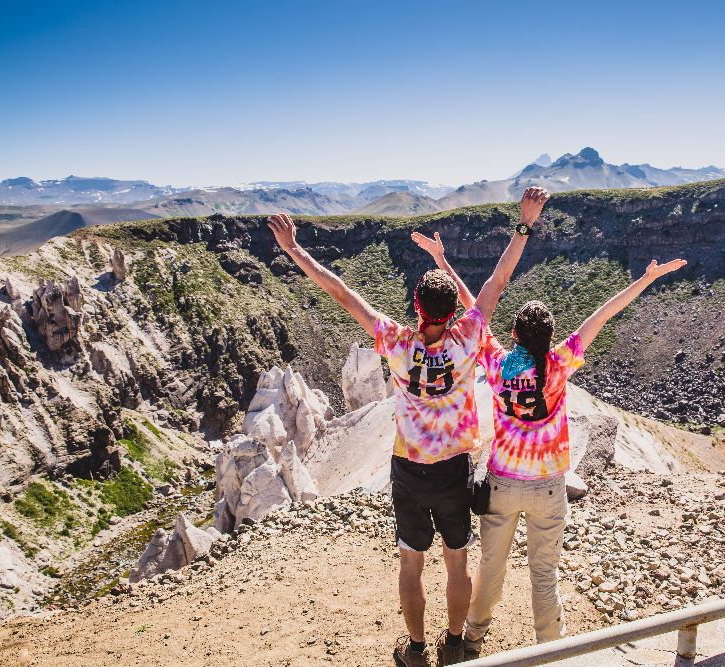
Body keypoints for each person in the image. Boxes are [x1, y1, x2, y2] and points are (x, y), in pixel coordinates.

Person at [267, 186, 550, 667]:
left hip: (409, 470)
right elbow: (499, 279)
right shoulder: (469, 336)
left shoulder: (396, 343)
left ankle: (416, 650)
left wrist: (294, 249)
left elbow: (342, 294)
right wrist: (524, 223)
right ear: (453, 313)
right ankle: (454, 644)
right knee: (457, 559)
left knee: (411, 561)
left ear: (417, 307)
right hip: (454, 469)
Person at [413, 229, 685, 657]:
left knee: (490, 567)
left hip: (502, 483)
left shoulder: (497, 363)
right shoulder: (559, 364)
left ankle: (473, 639)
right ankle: (550, 652)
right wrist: (647, 279)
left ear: (515, 334)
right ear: (550, 337)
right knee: (544, 574)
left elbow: (473, 308)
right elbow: (602, 314)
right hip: (549, 487)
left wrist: (443, 262)